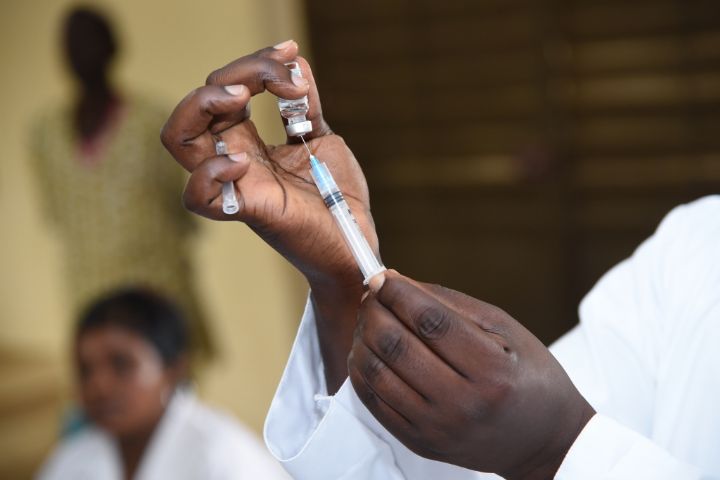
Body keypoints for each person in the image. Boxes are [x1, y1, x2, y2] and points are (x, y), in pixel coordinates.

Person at [160, 41, 720, 479]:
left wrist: (554, 453)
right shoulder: (696, 247)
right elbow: (464, 467)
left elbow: (554, 446)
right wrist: (342, 286)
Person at [29, 6, 212, 358]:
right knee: (108, 392)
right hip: (89, 295)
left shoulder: (154, 123)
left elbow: (182, 207)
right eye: (71, 44)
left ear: (113, 47)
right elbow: (55, 213)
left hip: (158, 293)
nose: (80, 53)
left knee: (168, 391)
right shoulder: (45, 136)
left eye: (89, 40)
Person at [37, 288, 289, 480]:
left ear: (173, 368)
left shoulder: (222, 455)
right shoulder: (72, 460)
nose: (98, 386)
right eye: (85, 370)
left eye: (121, 364)